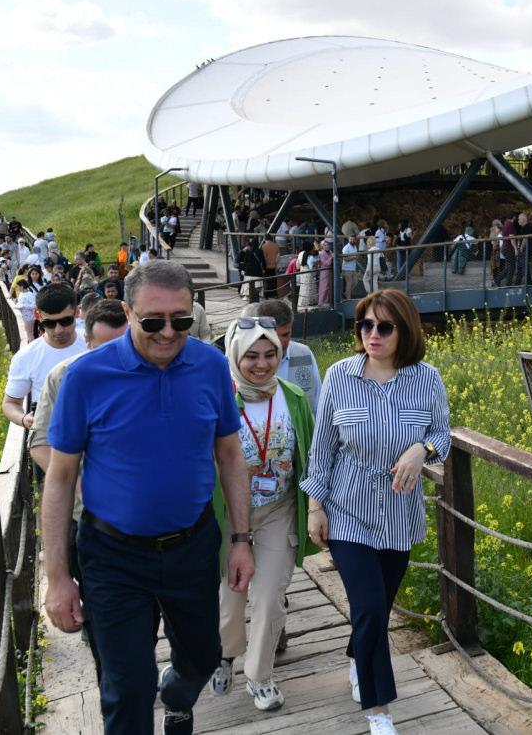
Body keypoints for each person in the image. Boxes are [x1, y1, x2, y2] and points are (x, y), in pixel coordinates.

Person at [42, 261, 256, 735]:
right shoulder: (86, 378)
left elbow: (230, 455)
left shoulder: (210, 366)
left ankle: (178, 693)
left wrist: (242, 538)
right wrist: (57, 577)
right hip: (112, 555)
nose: (167, 332)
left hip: (192, 545)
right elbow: (59, 478)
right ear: (126, 311)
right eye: (152, 321)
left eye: (180, 320)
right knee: (126, 687)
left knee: (203, 657)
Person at [301, 290, 450, 735]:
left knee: (378, 609)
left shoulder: (427, 378)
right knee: (367, 608)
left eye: (384, 327)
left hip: (399, 515)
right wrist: (315, 506)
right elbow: (323, 446)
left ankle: (357, 657)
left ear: (405, 331)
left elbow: (443, 432)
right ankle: (379, 711)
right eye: (365, 325)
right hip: (348, 510)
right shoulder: (340, 376)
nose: (373, 334)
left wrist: (420, 450)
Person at [210, 316, 320, 712]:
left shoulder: (292, 396)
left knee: (272, 595)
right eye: (251, 355)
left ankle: (259, 674)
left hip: (280, 509)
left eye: (270, 354)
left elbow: (310, 454)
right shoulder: (219, 398)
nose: (261, 364)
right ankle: (225, 653)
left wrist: (318, 508)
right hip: (229, 513)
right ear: (235, 356)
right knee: (230, 595)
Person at [27, 299, 130, 678]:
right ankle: (112, 684)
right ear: (88, 343)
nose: (118, 355)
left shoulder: (149, 372)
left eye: (125, 343)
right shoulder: (64, 376)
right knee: (102, 616)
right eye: (106, 347)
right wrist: (78, 482)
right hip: (85, 519)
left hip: (143, 523)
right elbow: (39, 445)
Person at [1, 283, 88, 437]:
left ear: (77, 312)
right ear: (37, 315)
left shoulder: (94, 343)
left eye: (66, 321)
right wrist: (24, 419)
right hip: (50, 442)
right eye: (49, 323)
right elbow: (10, 403)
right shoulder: (26, 357)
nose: (58, 329)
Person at [341, 234, 360, 301]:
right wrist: (354, 257)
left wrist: (357, 257)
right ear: (348, 239)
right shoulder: (346, 247)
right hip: (346, 268)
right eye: (350, 239)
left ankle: (346, 293)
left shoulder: (355, 246)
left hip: (353, 268)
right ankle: (348, 299)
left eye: (353, 239)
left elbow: (356, 256)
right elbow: (345, 258)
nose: (351, 240)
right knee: (349, 284)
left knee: (355, 282)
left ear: (355, 240)